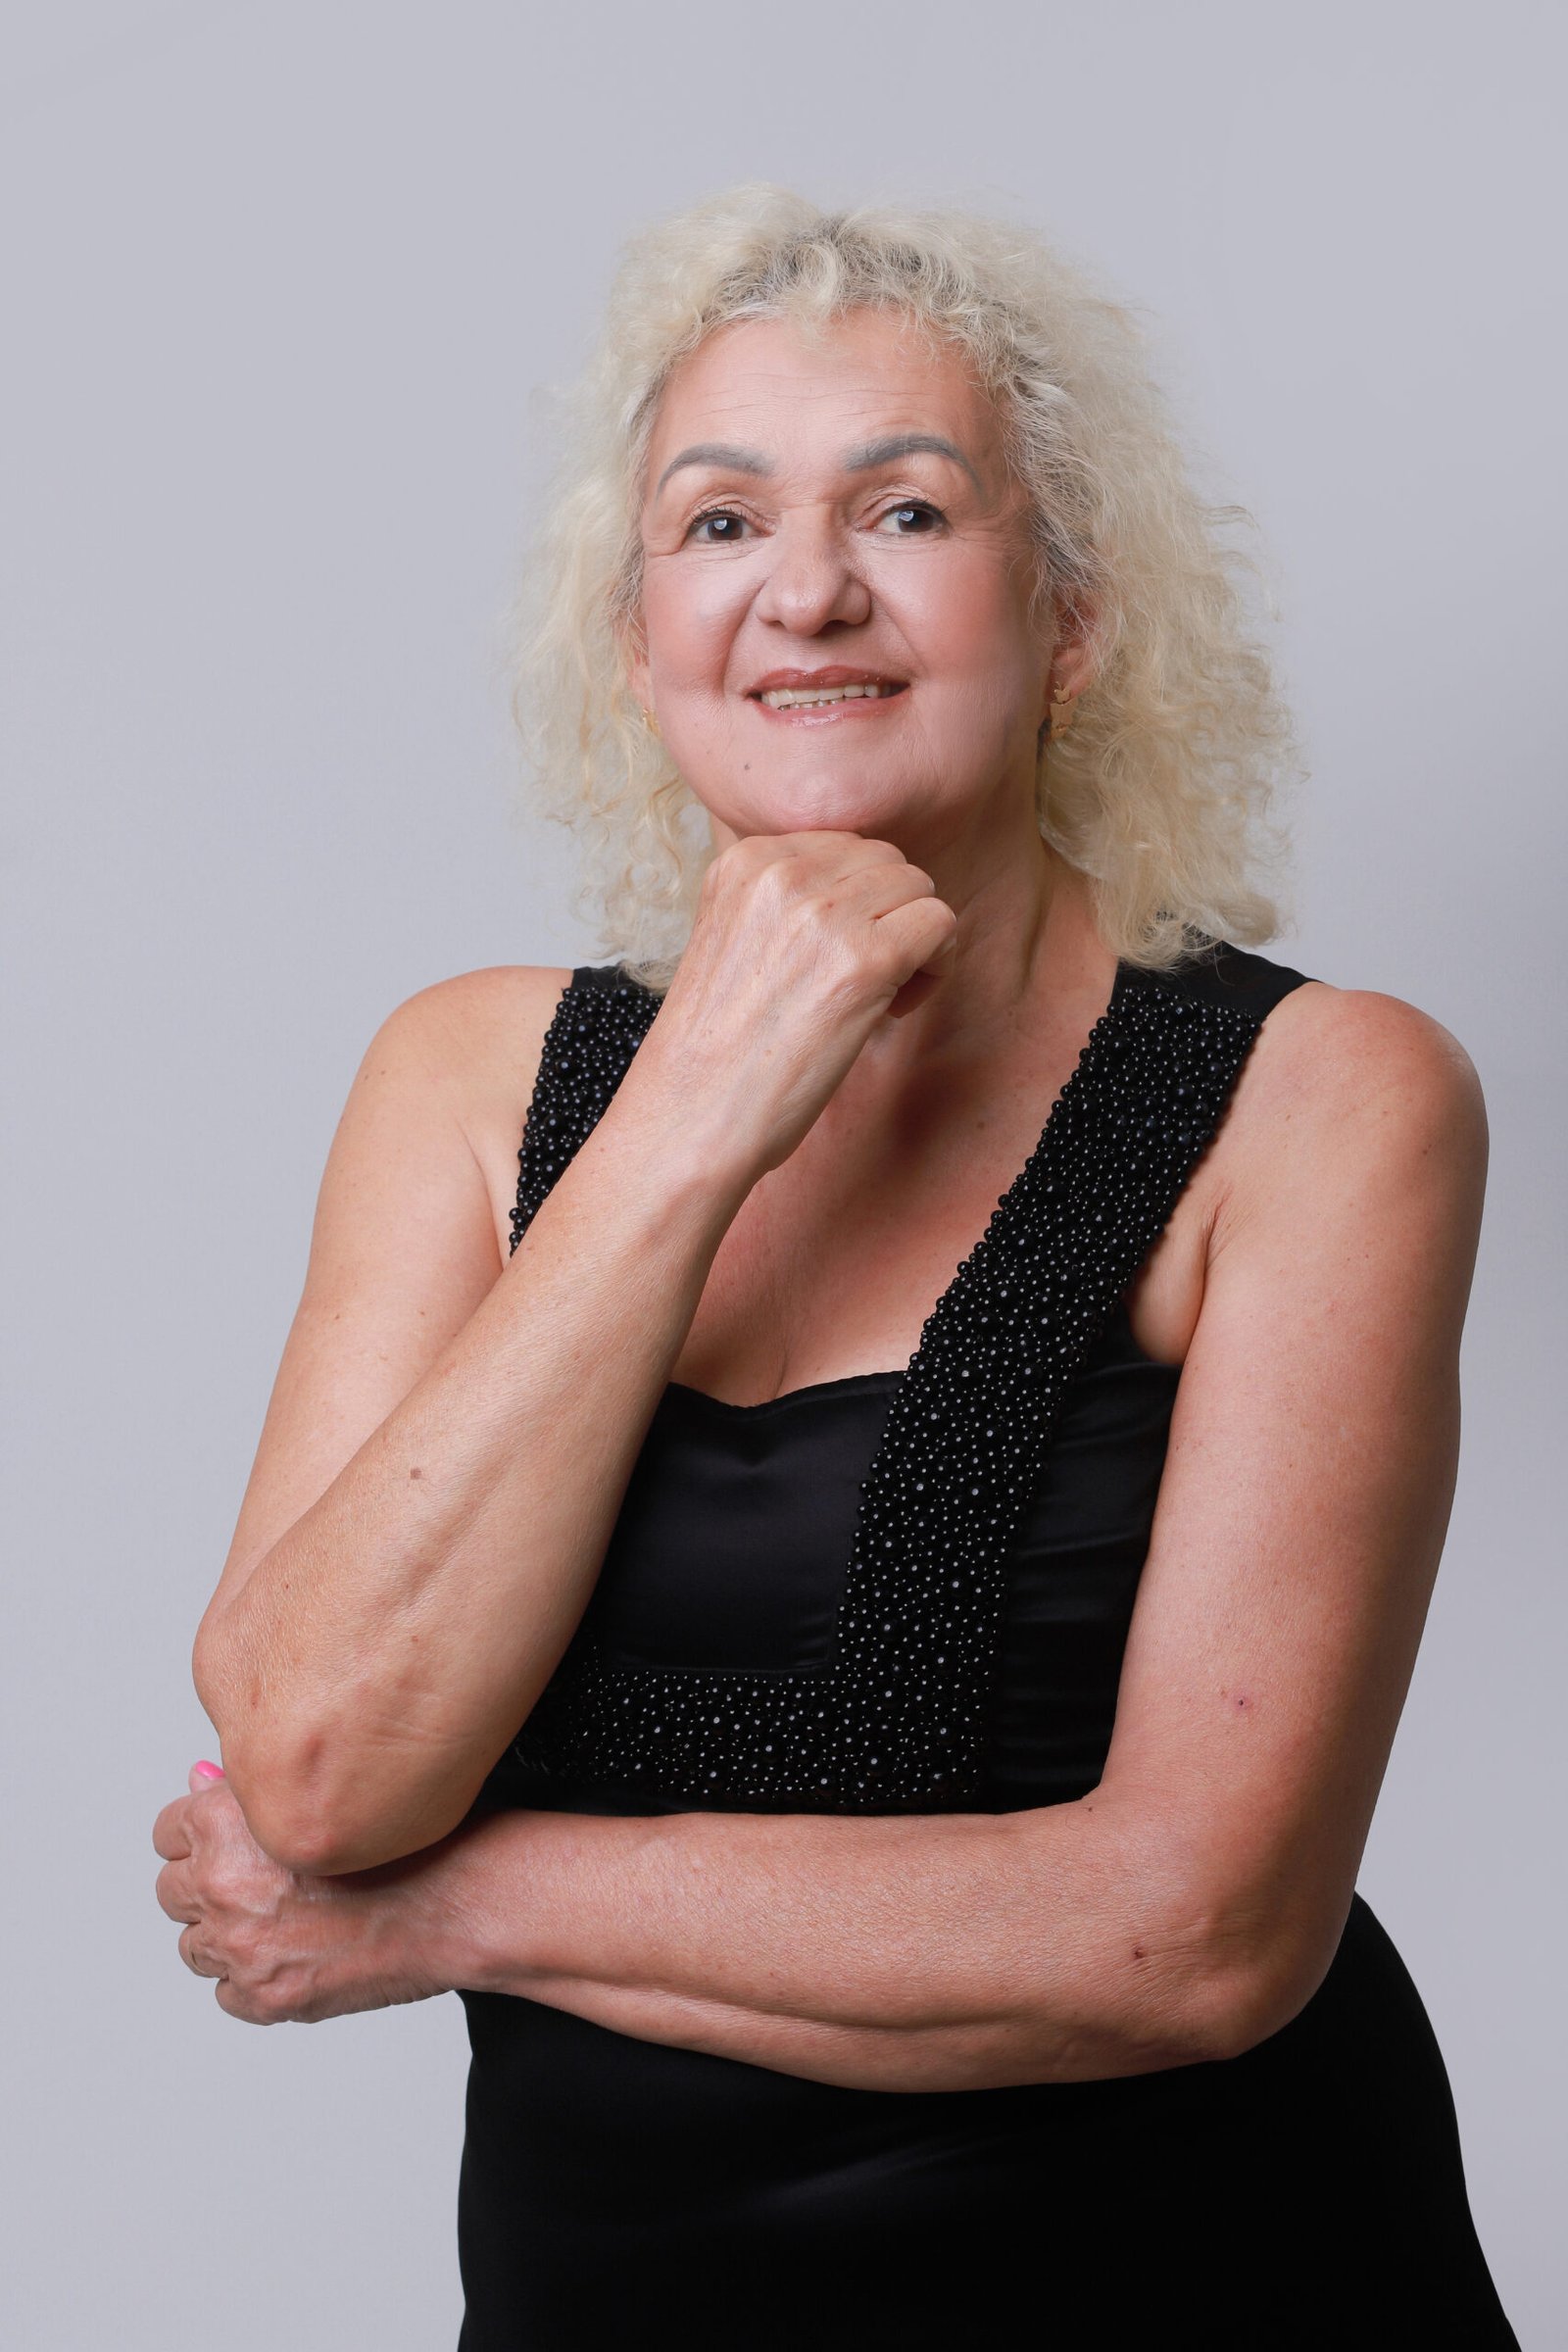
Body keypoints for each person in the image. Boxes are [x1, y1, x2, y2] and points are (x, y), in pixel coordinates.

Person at [153, 186, 1519, 2346]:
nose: (804, 590)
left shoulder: (1320, 1098)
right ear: (637, 639)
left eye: (905, 511)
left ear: (1069, 616)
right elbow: (319, 1768)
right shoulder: (465, 1080)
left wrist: (458, 1912)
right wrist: (692, 1112)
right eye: (718, 524)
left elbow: (1189, 1935)